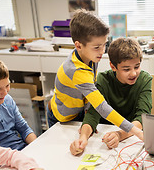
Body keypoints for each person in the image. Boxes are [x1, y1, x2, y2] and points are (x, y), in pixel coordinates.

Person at [48, 9, 143, 141]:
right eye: (97, 47)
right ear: (78, 45)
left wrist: (87, 116)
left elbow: (89, 89)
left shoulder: (90, 57)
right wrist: (136, 131)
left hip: (78, 112)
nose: (102, 51)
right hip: (62, 117)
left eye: (104, 45)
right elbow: (102, 107)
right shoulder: (76, 71)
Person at [70, 38, 152, 155]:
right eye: (126, 69)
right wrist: (83, 138)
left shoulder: (144, 79)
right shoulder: (103, 80)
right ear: (113, 67)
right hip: (105, 140)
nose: (133, 73)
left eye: (137, 66)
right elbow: (93, 114)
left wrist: (119, 135)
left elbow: (142, 117)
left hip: (131, 140)